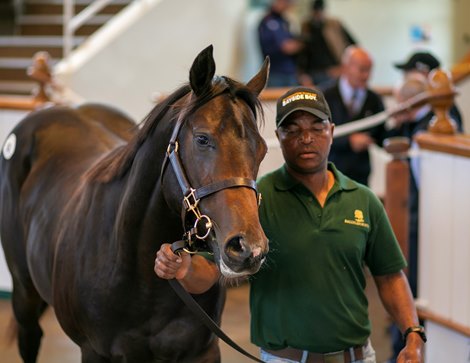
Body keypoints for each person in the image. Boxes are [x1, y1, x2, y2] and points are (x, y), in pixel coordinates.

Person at [154, 86, 426, 363]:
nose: (306, 138)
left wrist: (413, 333)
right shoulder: (259, 199)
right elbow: (209, 270)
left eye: (317, 127)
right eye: (292, 130)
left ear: (331, 131)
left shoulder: (363, 200)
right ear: (278, 138)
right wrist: (184, 267)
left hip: (357, 357)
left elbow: (390, 276)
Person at [322, 46, 388, 185]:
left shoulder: (374, 99)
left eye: (369, 70)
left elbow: (382, 136)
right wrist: (349, 141)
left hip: (361, 177)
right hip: (329, 174)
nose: (366, 76)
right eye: (362, 69)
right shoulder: (325, 96)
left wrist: (402, 123)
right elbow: (317, 135)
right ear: (345, 67)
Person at [394, 50, 463, 130]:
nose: (404, 78)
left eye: (408, 73)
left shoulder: (443, 106)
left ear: (424, 74)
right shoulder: (415, 109)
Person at [298, 0, 357, 87]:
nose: (317, 15)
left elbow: (353, 48)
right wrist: (303, 75)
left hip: (332, 72)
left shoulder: (334, 25)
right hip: (313, 74)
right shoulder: (307, 27)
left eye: (319, 11)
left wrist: (343, 68)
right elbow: (303, 54)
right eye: (315, 12)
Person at [258, 0, 304, 87]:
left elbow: (293, 43)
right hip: (275, 73)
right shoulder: (267, 21)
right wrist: (284, 48)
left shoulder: (285, 22)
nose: (286, 5)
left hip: (291, 72)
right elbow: (270, 48)